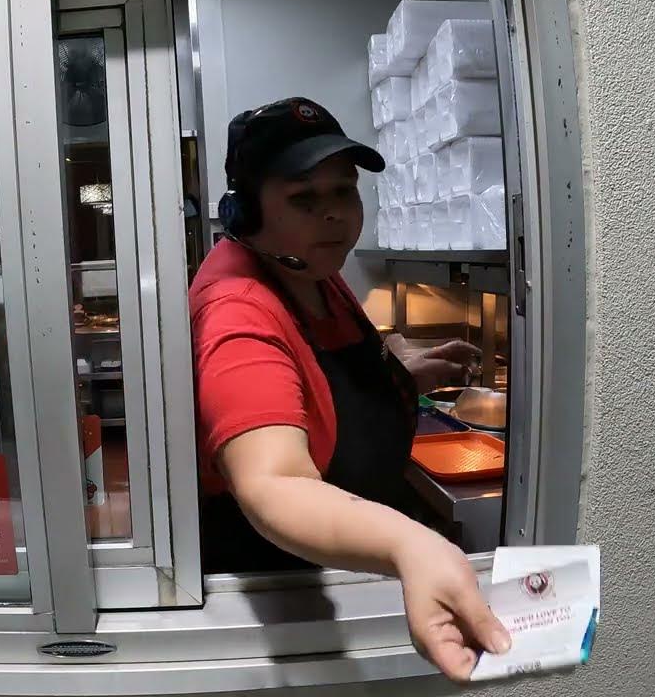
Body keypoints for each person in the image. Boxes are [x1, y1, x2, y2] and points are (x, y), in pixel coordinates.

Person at [189, 97, 509, 681]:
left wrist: (403, 371)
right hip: (288, 598)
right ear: (244, 213)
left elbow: (319, 383)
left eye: (344, 191)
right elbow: (273, 480)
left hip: (342, 568)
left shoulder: (313, 270)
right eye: (304, 198)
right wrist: (411, 546)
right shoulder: (237, 311)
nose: (334, 215)